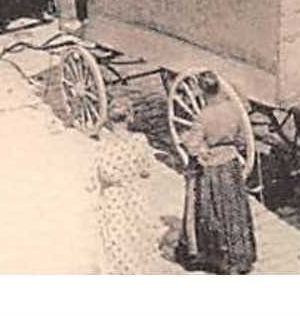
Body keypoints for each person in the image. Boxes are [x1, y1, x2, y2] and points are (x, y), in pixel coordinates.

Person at [176, 71, 257, 275]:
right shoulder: (233, 110)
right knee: (233, 208)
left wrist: (187, 141)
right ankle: (239, 256)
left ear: (203, 92)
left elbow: (194, 146)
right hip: (230, 165)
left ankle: (216, 257)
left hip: (212, 168)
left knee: (211, 209)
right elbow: (241, 138)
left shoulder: (203, 116)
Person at [92, 98, 167, 274]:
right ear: (130, 118)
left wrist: (116, 180)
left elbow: (105, 174)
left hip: (113, 196)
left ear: (110, 120)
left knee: (116, 237)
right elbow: (146, 170)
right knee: (138, 234)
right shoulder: (140, 140)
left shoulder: (104, 144)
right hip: (135, 193)